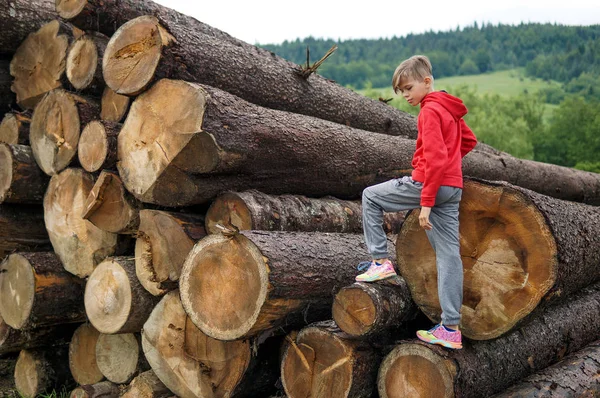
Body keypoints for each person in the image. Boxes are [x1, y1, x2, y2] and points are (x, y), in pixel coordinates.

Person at [355, 55, 477, 349]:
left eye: (409, 88)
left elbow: (434, 158)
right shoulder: (450, 108)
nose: (406, 95)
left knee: (370, 196)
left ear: (426, 81)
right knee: (448, 255)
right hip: (452, 187)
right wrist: (449, 169)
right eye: (402, 91)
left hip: (430, 184)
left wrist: (425, 201)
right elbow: (469, 141)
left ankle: (381, 261)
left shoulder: (429, 112)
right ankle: (450, 328)